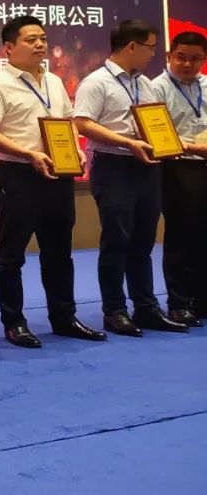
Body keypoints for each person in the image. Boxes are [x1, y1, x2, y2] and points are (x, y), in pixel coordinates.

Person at [0, 16, 106, 348]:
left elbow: (67, 123)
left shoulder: (54, 81)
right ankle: (14, 323)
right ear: (9, 47)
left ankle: (64, 317)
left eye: (43, 38)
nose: (39, 45)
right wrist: (28, 153)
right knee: (12, 254)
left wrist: (76, 151)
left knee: (59, 251)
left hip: (58, 174)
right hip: (19, 174)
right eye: (31, 39)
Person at [73, 19, 188, 336]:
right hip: (114, 166)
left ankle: (146, 307)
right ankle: (114, 311)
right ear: (132, 46)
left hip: (147, 165)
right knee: (117, 239)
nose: (153, 54)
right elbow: (82, 123)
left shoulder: (145, 83)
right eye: (150, 48)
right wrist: (127, 142)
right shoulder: (96, 82)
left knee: (143, 240)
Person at [150, 30, 207, 326]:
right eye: (181, 57)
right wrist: (192, 147)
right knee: (181, 235)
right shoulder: (156, 88)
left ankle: (202, 299)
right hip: (177, 167)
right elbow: (156, 134)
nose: (187, 64)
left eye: (195, 59)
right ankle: (179, 303)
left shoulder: (206, 85)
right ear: (169, 56)